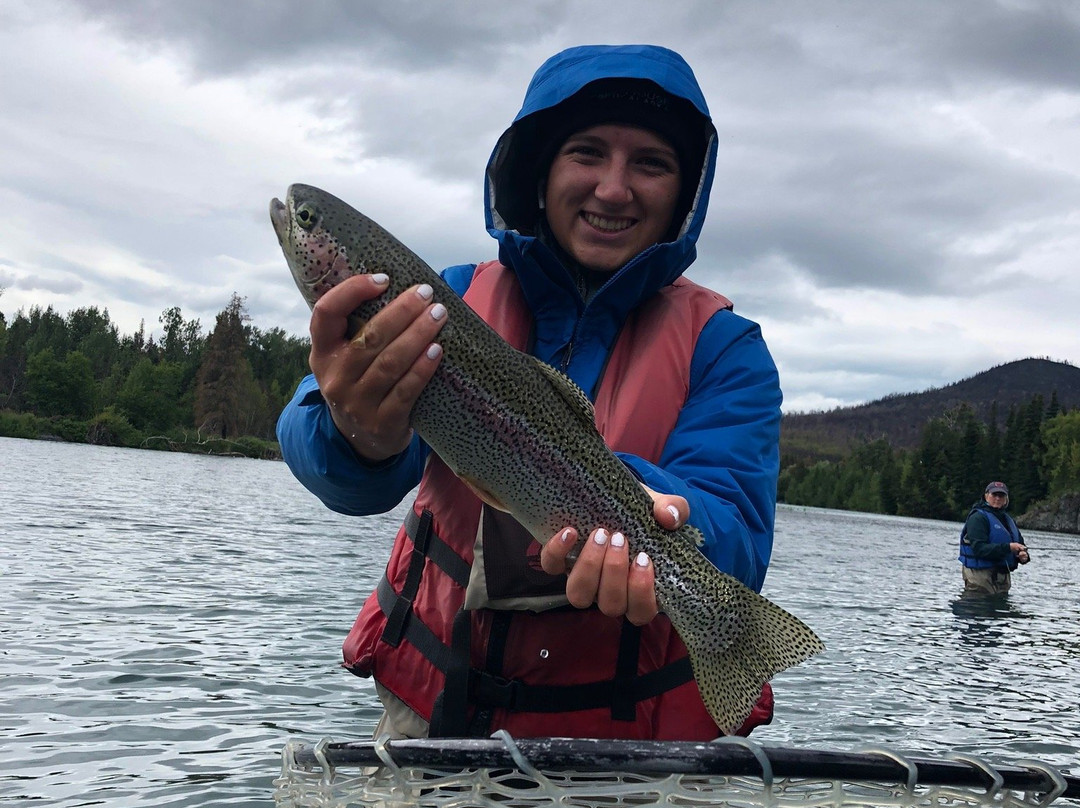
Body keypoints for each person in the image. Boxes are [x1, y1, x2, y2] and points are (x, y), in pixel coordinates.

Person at [276, 44, 783, 741]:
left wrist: (646, 513)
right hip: (433, 727)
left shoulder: (727, 349)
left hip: (628, 761)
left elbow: (739, 538)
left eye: (651, 163)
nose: (613, 187)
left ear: (686, 193)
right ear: (538, 172)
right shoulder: (440, 299)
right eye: (586, 152)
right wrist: (352, 431)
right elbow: (337, 469)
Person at [958, 481, 1030, 595]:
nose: (997, 498)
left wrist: (1023, 556)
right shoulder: (978, 518)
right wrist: (1008, 548)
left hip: (1001, 577)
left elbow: (1020, 544)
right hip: (980, 576)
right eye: (994, 495)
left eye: (1001, 495)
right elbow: (979, 549)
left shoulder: (1008, 520)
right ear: (986, 496)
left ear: (1006, 499)